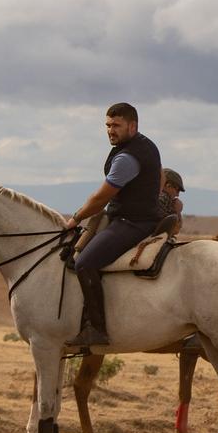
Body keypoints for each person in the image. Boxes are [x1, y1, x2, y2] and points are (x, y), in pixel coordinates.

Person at [62, 103, 164, 348]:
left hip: (133, 222)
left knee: (85, 262)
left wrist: (75, 219)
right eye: (108, 125)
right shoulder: (145, 145)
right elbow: (160, 174)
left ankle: (96, 328)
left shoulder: (127, 158)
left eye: (116, 125)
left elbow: (100, 198)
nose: (110, 130)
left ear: (132, 125)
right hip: (137, 216)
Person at [158, 168, 186, 235]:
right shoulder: (163, 197)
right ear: (168, 186)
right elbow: (175, 230)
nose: (177, 195)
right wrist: (177, 211)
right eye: (177, 190)